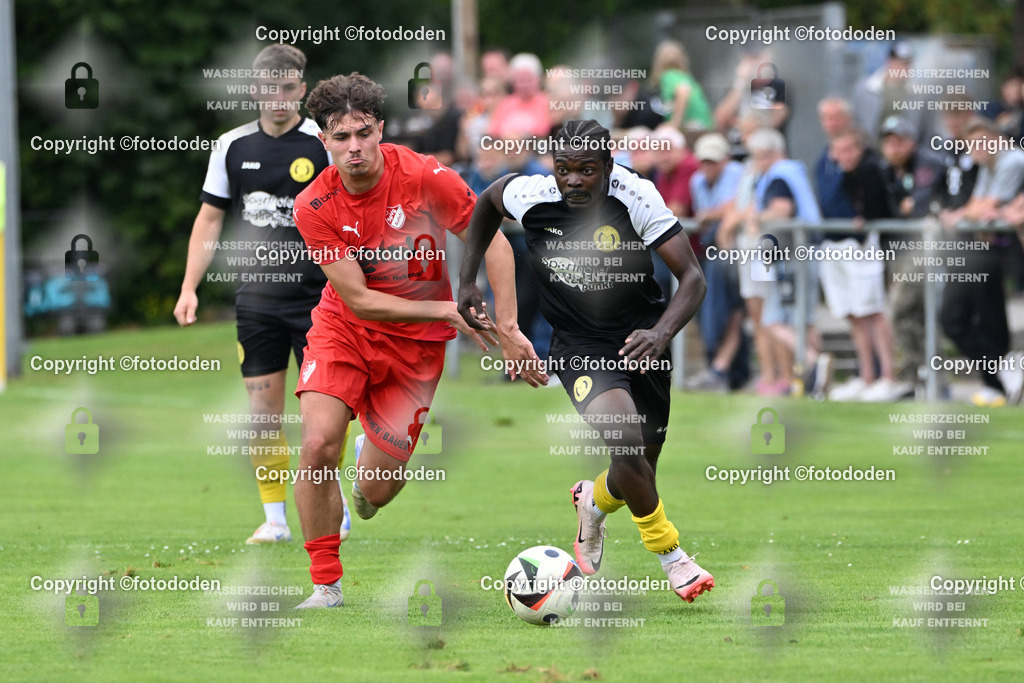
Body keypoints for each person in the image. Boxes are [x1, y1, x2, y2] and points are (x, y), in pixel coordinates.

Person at [289, 73, 533, 608]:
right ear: (322, 139)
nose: (354, 147)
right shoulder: (313, 205)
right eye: (340, 136)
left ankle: (368, 473)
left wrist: (510, 328)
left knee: (376, 492)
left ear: (380, 129)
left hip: (417, 348)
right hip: (345, 332)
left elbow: (491, 244)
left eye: (363, 133)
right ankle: (325, 584)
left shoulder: (426, 177)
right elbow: (359, 301)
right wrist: (449, 307)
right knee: (315, 447)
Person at [457, 119, 715, 603]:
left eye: (586, 170)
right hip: (578, 346)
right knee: (625, 439)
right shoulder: (533, 194)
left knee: (636, 469)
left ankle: (591, 503)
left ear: (608, 167)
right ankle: (672, 557)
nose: (573, 180)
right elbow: (488, 200)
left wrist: (661, 334)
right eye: (564, 169)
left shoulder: (636, 196)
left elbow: (694, 279)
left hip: (642, 340)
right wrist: (468, 280)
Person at [173, 45, 350, 546]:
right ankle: (274, 519)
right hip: (257, 300)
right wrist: (188, 287)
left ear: (302, 89)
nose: (279, 98)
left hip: (323, 300)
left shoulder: (325, 140)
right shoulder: (231, 145)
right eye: (270, 88)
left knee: (326, 413)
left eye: (289, 88)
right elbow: (209, 218)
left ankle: (331, 506)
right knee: (262, 411)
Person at [939, 118, 1024, 406]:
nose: (976, 149)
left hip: (994, 250)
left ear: (997, 139)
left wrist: (969, 215)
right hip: (985, 248)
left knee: (969, 317)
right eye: (971, 144)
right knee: (965, 317)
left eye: (981, 142)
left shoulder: (1012, 160)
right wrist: (974, 214)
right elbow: (979, 206)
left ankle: (1003, 374)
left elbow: (986, 207)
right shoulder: (991, 164)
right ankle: (1001, 377)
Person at [824, 127, 908, 402]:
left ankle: (888, 377)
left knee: (873, 311)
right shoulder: (842, 173)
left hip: (871, 248)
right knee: (857, 314)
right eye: (840, 151)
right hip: (849, 246)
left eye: (850, 150)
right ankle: (868, 376)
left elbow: (877, 210)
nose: (845, 156)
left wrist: (864, 221)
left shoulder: (871, 168)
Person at [878, 115, 948, 392]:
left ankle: (918, 374)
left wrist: (907, 205)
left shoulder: (927, 163)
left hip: (925, 247)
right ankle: (926, 378)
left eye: (898, 141)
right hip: (900, 248)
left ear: (911, 141)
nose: (893, 148)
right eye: (888, 142)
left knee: (902, 310)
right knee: (915, 315)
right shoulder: (889, 169)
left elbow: (918, 206)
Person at [685, 133, 748, 392]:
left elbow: (732, 208)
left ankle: (722, 370)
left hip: (738, 253)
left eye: (713, 161)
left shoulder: (736, 172)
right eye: (705, 162)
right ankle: (722, 371)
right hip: (713, 254)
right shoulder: (697, 180)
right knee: (719, 312)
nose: (708, 167)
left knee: (734, 311)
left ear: (725, 159)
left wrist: (711, 215)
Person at [649, 40, 713, 131]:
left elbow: (683, 92)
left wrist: (674, 123)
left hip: (693, 124)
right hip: (706, 124)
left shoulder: (668, 76)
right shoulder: (686, 77)